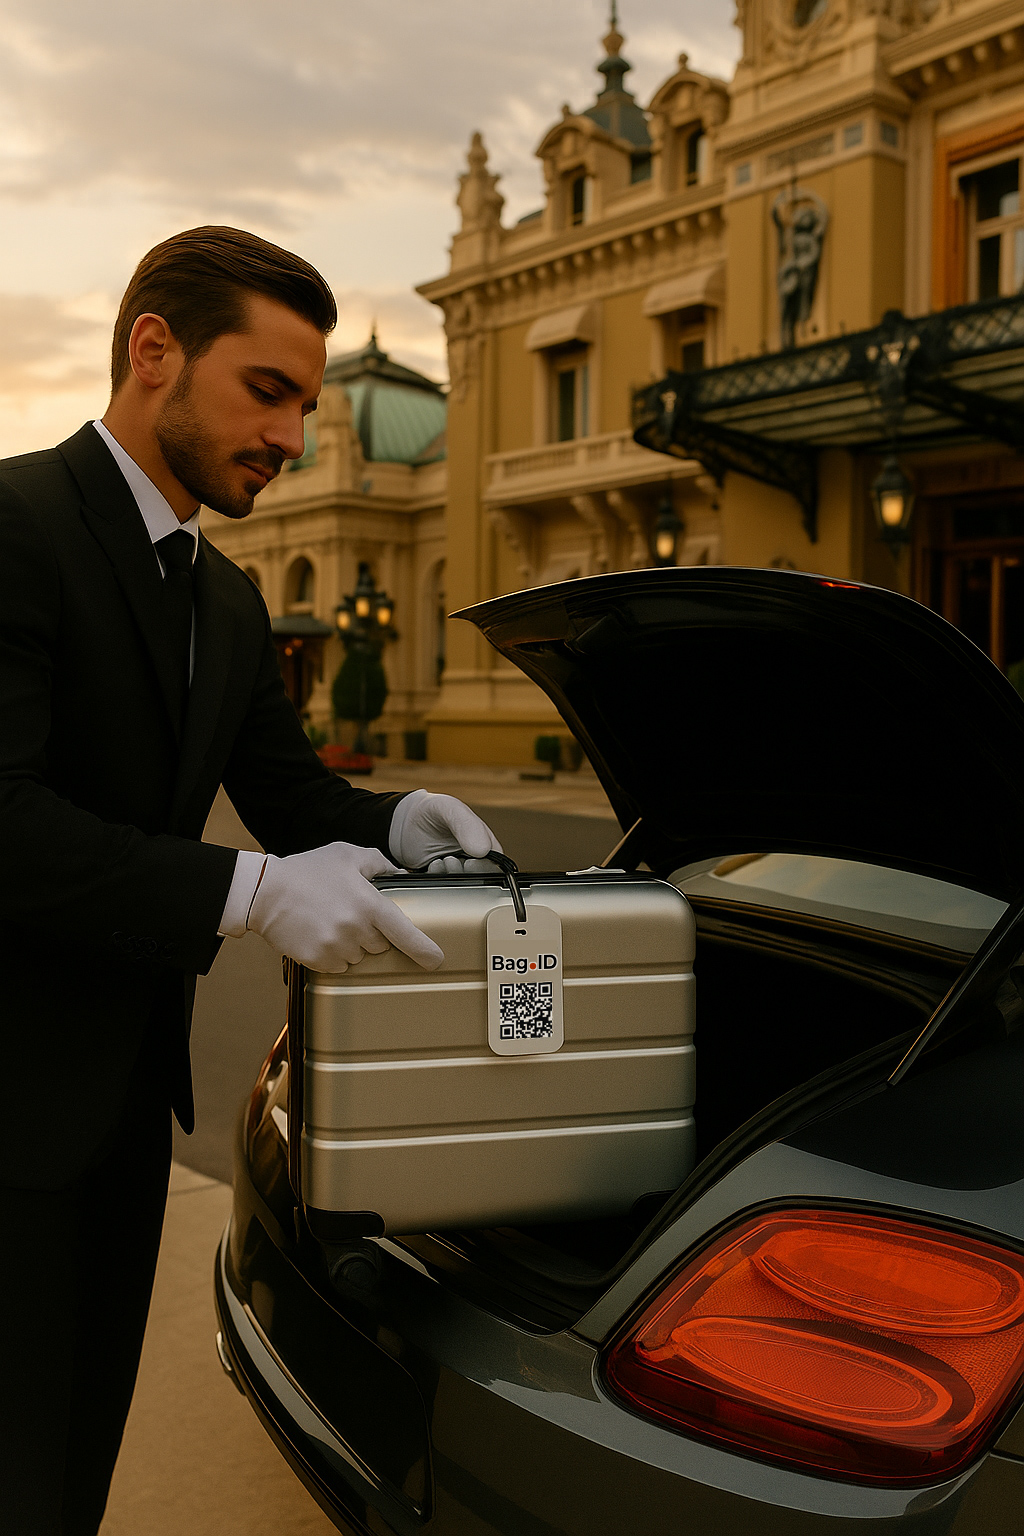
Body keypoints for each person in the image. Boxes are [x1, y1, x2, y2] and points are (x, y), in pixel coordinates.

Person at [0, 225, 500, 1535]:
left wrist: (401, 823)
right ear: (153, 352)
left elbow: (300, 805)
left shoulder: (224, 603)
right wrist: (252, 894)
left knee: (66, 1478)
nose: (291, 436)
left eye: (308, 406)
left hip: (120, 1121)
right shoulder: (12, 525)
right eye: (266, 391)